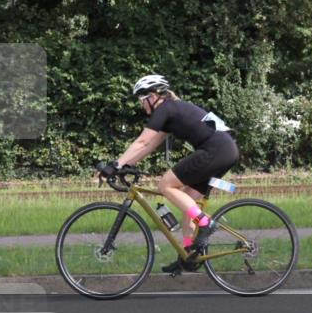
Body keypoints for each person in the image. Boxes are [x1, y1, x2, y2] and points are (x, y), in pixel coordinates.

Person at [97, 74, 239, 273]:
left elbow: (141, 141)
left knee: (165, 185)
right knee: (188, 203)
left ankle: (205, 223)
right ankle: (188, 254)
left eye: (141, 99)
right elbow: (149, 145)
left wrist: (115, 165)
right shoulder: (171, 111)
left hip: (215, 150)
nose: (140, 105)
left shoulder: (165, 108)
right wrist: (126, 165)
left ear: (153, 96)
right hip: (225, 150)